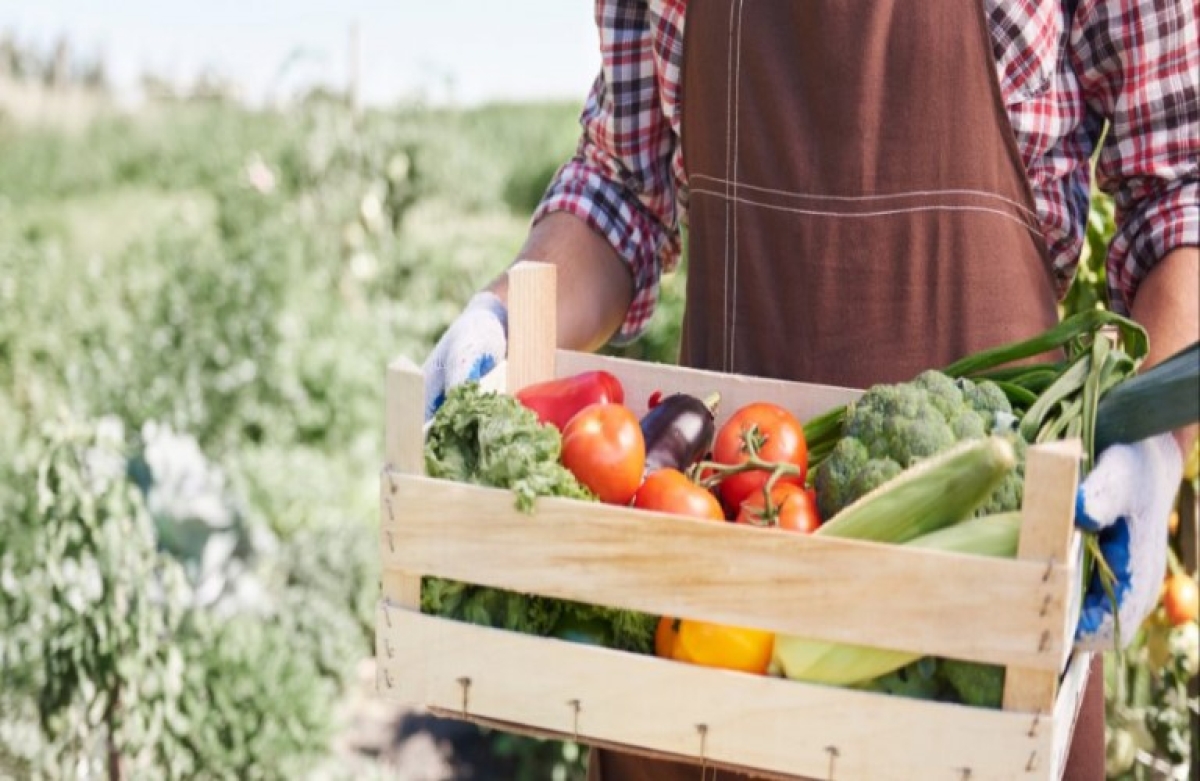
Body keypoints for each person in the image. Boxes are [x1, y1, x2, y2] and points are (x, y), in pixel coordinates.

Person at [423, 1, 1198, 778]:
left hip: (986, 608)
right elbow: (622, 188)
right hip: (716, 603)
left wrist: (1155, 442)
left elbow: (1181, 196)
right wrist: (503, 316)